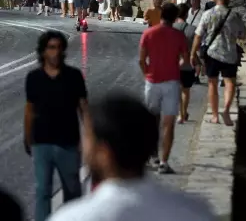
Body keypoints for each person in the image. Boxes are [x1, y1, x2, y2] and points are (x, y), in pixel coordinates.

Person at [47, 93, 216, 221]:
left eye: (87, 141)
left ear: (104, 154)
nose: (81, 148)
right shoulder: (196, 211)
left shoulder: (71, 217)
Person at [24, 31, 87, 221]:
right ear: (43, 51)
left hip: (68, 142)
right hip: (41, 143)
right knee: (42, 191)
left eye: (59, 48)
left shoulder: (74, 76)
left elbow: (83, 108)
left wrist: (89, 136)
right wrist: (27, 137)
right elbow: (29, 110)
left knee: (72, 190)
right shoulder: (34, 78)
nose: (56, 52)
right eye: (51, 48)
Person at [139, 3, 191, 174]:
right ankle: (164, 162)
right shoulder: (179, 36)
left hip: (152, 82)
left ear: (161, 15)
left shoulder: (148, 33)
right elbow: (185, 60)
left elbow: (142, 60)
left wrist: (147, 74)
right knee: (169, 124)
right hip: (171, 82)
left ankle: (152, 155)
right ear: (175, 18)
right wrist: (175, 66)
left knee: (151, 120)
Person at [191, 0, 246, 126]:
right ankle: (226, 110)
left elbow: (198, 35)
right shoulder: (234, 16)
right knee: (230, 83)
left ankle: (215, 116)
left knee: (212, 83)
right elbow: (243, 35)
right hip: (229, 54)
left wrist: (192, 53)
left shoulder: (208, 14)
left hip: (212, 53)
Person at [173, 3, 198, 124]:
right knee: (185, 90)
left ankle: (180, 113)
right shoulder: (192, 29)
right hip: (188, 64)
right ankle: (183, 114)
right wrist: (198, 62)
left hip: (172, 64)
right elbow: (196, 48)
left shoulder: (170, 28)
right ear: (187, 14)